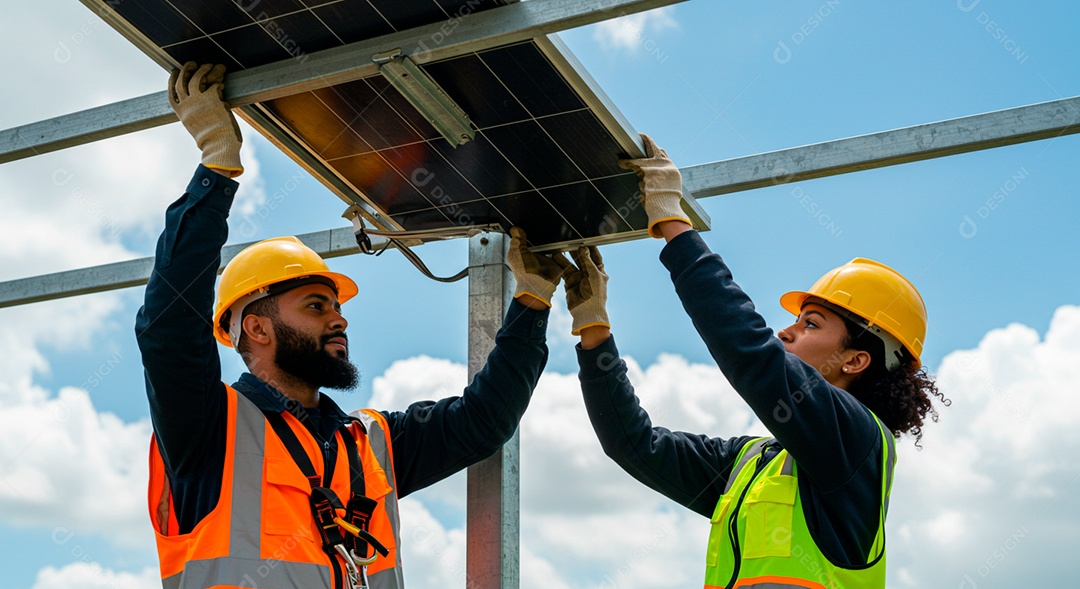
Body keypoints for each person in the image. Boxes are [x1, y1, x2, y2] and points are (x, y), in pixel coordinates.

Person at [135, 62, 567, 589]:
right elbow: (167, 326)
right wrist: (217, 168)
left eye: (335, 308)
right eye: (316, 306)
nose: (339, 319)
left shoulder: (370, 442)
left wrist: (533, 301)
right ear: (257, 329)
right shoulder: (207, 429)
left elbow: (485, 420)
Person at [561, 135, 949, 588]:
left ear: (857, 360)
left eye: (811, 324)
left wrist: (674, 225)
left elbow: (750, 351)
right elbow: (632, 444)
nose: (786, 331)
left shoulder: (857, 443)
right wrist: (593, 328)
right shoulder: (751, 464)